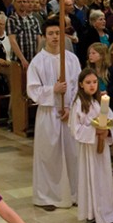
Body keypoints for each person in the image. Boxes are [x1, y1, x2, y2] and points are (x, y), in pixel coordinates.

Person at [27, 18, 80, 210]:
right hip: (49, 113)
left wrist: (70, 106)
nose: (55, 37)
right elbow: (32, 90)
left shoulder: (71, 59)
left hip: (68, 113)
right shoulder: (37, 62)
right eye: (51, 34)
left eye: (58, 33)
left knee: (72, 154)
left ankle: (73, 193)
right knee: (49, 156)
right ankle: (47, 196)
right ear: (43, 36)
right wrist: (53, 90)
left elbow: (76, 86)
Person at [72, 70, 113, 223]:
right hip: (88, 149)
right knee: (90, 178)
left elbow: (111, 119)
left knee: (103, 179)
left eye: (94, 82)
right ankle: (92, 214)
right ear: (81, 84)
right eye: (88, 82)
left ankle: (106, 213)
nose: (92, 86)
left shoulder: (100, 101)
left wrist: (107, 131)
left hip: (101, 147)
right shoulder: (78, 103)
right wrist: (94, 131)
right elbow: (75, 128)